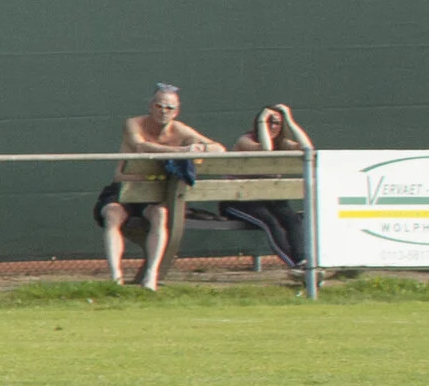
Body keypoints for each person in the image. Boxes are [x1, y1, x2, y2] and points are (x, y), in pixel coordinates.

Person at [99, 82, 223, 291]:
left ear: (176, 111)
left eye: (169, 107)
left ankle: (151, 276)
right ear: (151, 106)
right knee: (112, 213)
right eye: (159, 106)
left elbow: (219, 149)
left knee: (161, 215)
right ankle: (115, 277)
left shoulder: (180, 130)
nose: (163, 111)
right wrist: (181, 152)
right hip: (125, 190)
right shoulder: (133, 124)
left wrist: (199, 147)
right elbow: (140, 146)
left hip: (154, 195)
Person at [227, 102, 313, 269]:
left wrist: (290, 120)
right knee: (270, 222)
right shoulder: (246, 140)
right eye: (269, 122)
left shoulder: (282, 143)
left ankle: (303, 262)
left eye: (277, 123)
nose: (273, 126)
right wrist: (262, 121)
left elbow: (307, 148)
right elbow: (266, 151)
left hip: (271, 199)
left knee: (293, 221)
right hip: (240, 199)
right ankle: (297, 267)